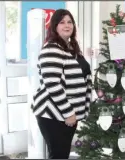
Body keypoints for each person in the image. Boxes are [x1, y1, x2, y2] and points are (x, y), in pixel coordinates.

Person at [31, 9, 92, 159]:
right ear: (54, 27)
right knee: (58, 155)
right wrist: (69, 113)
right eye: (62, 22)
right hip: (54, 114)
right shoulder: (51, 48)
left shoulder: (71, 48)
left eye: (69, 22)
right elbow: (53, 84)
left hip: (67, 115)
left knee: (62, 154)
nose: (67, 25)